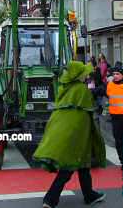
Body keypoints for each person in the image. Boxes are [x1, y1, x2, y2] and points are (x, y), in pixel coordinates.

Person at [33, 61, 106, 208]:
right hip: (78, 135)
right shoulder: (81, 90)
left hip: (71, 133)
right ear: (78, 75)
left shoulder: (65, 89)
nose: (87, 75)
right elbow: (90, 110)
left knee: (83, 167)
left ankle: (89, 195)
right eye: (84, 73)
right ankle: (50, 199)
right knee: (68, 168)